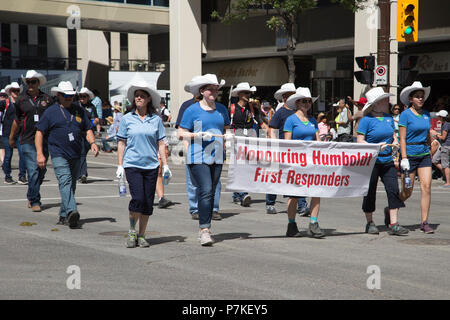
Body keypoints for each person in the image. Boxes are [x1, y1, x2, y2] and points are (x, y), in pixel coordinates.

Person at [35, 81, 99, 228]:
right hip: (58, 154)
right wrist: (40, 154)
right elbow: (39, 132)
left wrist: (93, 143)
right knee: (65, 181)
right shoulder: (51, 112)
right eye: (65, 95)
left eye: (71, 95)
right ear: (58, 95)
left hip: (76, 154)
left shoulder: (79, 110)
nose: (68, 98)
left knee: (71, 186)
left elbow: (88, 128)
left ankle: (64, 215)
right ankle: (72, 211)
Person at [116, 80, 171, 248]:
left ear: (148, 100)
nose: (138, 98)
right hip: (132, 164)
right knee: (138, 199)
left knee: (147, 202)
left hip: (152, 165)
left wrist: (166, 164)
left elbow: (161, 143)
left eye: (142, 96)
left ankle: (142, 234)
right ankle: (132, 231)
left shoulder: (156, 120)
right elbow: (121, 143)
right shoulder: (127, 119)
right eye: (136, 96)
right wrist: (120, 165)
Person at [178, 74, 230, 246]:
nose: (214, 91)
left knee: (212, 190)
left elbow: (226, 129)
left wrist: (229, 137)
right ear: (202, 91)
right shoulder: (192, 110)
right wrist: (196, 134)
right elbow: (180, 132)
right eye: (210, 89)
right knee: (206, 189)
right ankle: (204, 230)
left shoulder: (222, 109)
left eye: (216, 89)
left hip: (217, 155)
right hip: (198, 154)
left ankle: (206, 226)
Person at [356, 87, 408, 236]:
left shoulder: (388, 118)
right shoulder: (366, 120)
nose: (388, 101)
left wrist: (395, 141)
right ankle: (370, 222)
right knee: (370, 191)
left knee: (393, 190)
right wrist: (375, 147)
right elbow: (360, 141)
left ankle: (394, 224)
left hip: (387, 160)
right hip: (371, 161)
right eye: (385, 99)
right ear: (377, 103)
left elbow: (392, 135)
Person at [8, 70, 53, 212]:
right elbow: (16, 120)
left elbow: (52, 119)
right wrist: (11, 137)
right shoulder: (21, 100)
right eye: (28, 82)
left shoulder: (47, 99)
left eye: (33, 82)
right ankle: (35, 200)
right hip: (27, 139)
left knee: (42, 170)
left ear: (38, 83)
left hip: (44, 139)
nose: (31, 84)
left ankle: (31, 193)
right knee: (32, 170)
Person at [283, 87, 324, 238]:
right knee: (294, 195)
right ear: (297, 102)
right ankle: (292, 224)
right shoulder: (290, 120)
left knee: (316, 192)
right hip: (295, 161)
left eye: (309, 101)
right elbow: (287, 142)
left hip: (312, 161)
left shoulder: (313, 120)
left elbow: (318, 141)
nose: (307, 103)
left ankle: (313, 223)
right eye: (304, 101)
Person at [267, 83, 310, 216]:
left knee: (298, 177)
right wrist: (275, 144)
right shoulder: (280, 112)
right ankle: (270, 203)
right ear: (285, 97)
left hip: (298, 152)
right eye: (290, 95)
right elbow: (271, 129)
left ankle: (302, 205)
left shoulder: (301, 113)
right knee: (276, 176)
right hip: (282, 149)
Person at [398, 82, 434, 234]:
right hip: (409, 155)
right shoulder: (405, 114)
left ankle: (424, 222)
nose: (420, 99)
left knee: (426, 187)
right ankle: (392, 208)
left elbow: (426, 134)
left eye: (422, 97)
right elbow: (402, 139)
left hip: (424, 154)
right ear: (411, 99)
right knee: (407, 191)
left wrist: (432, 143)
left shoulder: (426, 114)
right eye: (417, 97)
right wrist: (404, 157)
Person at [229, 82, 267, 207]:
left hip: (250, 141)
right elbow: (227, 126)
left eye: (249, 92)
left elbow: (261, 124)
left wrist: (269, 134)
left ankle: (239, 194)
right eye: (245, 92)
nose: (248, 95)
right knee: (239, 167)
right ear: (239, 94)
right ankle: (242, 193)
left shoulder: (253, 109)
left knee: (244, 167)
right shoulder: (232, 108)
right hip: (236, 140)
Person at [1, 83, 27, 185]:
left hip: (20, 133)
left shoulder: (22, 102)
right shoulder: (5, 103)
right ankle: (7, 176)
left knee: (23, 154)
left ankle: (22, 176)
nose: (16, 92)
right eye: (14, 90)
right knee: (8, 155)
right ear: (10, 92)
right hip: (7, 133)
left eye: (17, 90)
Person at [77, 87, 99, 183]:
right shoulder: (76, 106)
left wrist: (91, 124)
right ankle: (83, 174)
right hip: (78, 133)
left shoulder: (92, 107)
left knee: (83, 153)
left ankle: (80, 173)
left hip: (88, 133)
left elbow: (96, 119)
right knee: (81, 153)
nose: (82, 98)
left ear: (88, 97)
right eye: (81, 96)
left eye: (84, 96)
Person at [432, 110, 449, 187]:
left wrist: (436, 135)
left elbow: (443, 137)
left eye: (439, 116)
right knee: (434, 160)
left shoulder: (446, 125)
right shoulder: (444, 124)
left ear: (442, 117)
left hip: (446, 146)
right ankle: (446, 174)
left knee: (445, 165)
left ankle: (448, 182)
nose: (438, 117)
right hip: (443, 145)